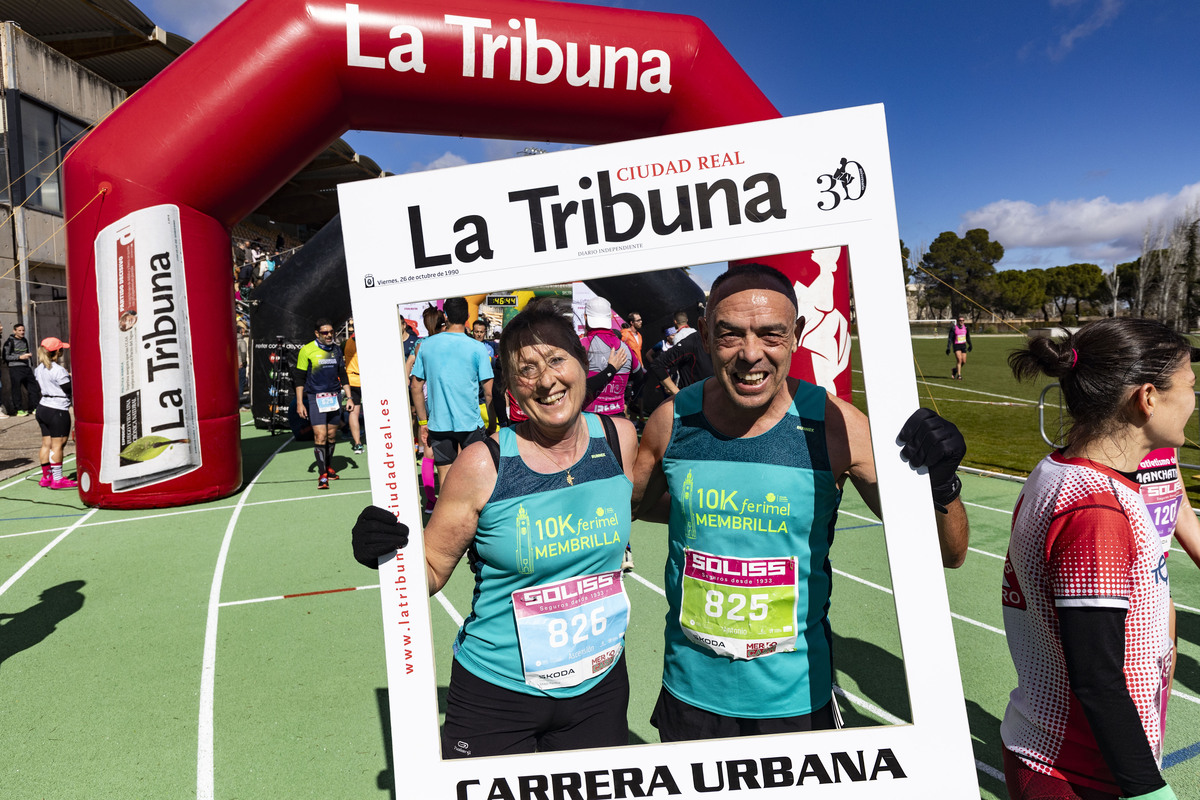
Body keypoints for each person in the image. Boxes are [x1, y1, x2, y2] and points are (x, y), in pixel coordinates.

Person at [631, 263, 969, 742]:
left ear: (797, 336)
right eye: (730, 335)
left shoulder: (839, 426)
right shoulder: (671, 421)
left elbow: (948, 554)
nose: (752, 354)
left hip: (795, 701)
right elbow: (635, 505)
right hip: (692, 697)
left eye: (771, 334)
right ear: (705, 337)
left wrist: (941, 483)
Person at [353, 305, 639, 757]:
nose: (546, 381)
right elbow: (430, 568)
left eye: (557, 360)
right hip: (497, 693)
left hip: (598, 685)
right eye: (526, 370)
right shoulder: (483, 463)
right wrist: (387, 551)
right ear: (509, 387)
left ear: (583, 365)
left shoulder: (619, 437)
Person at [1001, 318, 1189, 800]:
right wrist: (1147, 790)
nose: (1193, 401)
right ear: (1147, 399)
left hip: (1065, 753)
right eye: (1190, 387)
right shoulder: (1096, 511)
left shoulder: (1065, 469)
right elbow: (1097, 676)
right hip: (1077, 772)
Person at [410, 297, 494, 490]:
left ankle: (448, 517)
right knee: (478, 480)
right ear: (468, 317)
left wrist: (423, 422)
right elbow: (488, 393)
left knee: (446, 480)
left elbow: (416, 386)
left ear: (445, 316)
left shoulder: (426, 345)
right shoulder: (477, 347)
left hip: (439, 425)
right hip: (470, 423)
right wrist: (491, 423)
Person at [295, 318, 354, 489]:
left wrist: (349, 397)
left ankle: (328, 466)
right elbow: (299, 378)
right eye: (325, 333)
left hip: (334, 397)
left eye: (331, 332)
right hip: (315, 398)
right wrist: (300, 402)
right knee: (320, 436)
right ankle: (322, 475)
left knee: (330, 435)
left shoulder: (336, 349)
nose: (329, 335)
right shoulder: (307, 350)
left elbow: (342, 374)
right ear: (317, 334)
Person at [580, 297, 635, 417]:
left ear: (585, 317)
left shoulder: (582, 345)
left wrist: (610, 370)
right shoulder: (626, 348)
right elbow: (640, 376)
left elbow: (579, 388)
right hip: (618, 417)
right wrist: (627, 400)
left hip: (589, 417)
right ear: (610, 317)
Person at [34, 337, 76, 489]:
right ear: (58, 351)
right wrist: (71, 377)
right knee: (58, 445)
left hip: (43, 407)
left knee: (46, 443)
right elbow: (69, 390)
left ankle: (46, 477)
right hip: (57, 409)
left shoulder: (39, 368)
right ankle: (58, 479)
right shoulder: (58, 370)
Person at [4, 323, 39, 415]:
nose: (22, 332)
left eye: (23, 330)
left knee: (33, 387)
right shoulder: (9, 342)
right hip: (15, 368)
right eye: (19, 330)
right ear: (14, 331)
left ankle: (35, 407)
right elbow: (6, 357)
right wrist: (20, 357)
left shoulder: (24, 340)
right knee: (16, 389)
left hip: (26, 367)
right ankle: (19, 410)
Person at [344, 320, 366, 454]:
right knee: (355, 412)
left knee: (354, 412)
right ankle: (359, 442)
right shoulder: (362, 343)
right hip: (362, 381)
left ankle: (358, 443)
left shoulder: (348, 342)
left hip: (352, 380)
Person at [946, 315, 971, 380]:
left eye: (963, 320)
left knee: (964, 361)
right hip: (956, 345)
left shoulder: (966, 327)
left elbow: (967, 337)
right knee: (959, 360)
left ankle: (955, 370)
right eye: (960, 320)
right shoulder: (954, 328)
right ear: (957, 321)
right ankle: (959, 375)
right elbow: (950, 338)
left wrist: (970, 345)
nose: (961, 321)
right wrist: (948, 347)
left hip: (963, 345)